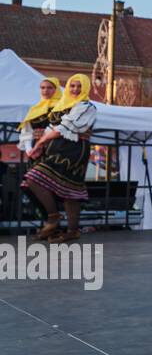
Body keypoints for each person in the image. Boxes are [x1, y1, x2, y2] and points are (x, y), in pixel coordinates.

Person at [22, 74, 97, 242]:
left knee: (70, 191)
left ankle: (71, 230)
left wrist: (40, 141)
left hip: (74, 150)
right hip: (56, 149)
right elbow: (51, 127)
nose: (75, 89)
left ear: (85, 88)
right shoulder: (61, 105)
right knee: (34, 179)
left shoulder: (86, 106)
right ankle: (54, 217)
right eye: (72, 86)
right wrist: (37, 146)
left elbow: (63, 127)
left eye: (79, 86)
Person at [18, 76, 61, 158]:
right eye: (42, 88)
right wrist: (29, 149)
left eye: (49, 88)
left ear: (56, 90)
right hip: (35, 149)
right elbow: (27, 131)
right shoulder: (35, 109)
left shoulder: (61, 107)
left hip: (55, 147)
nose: (45, 90)